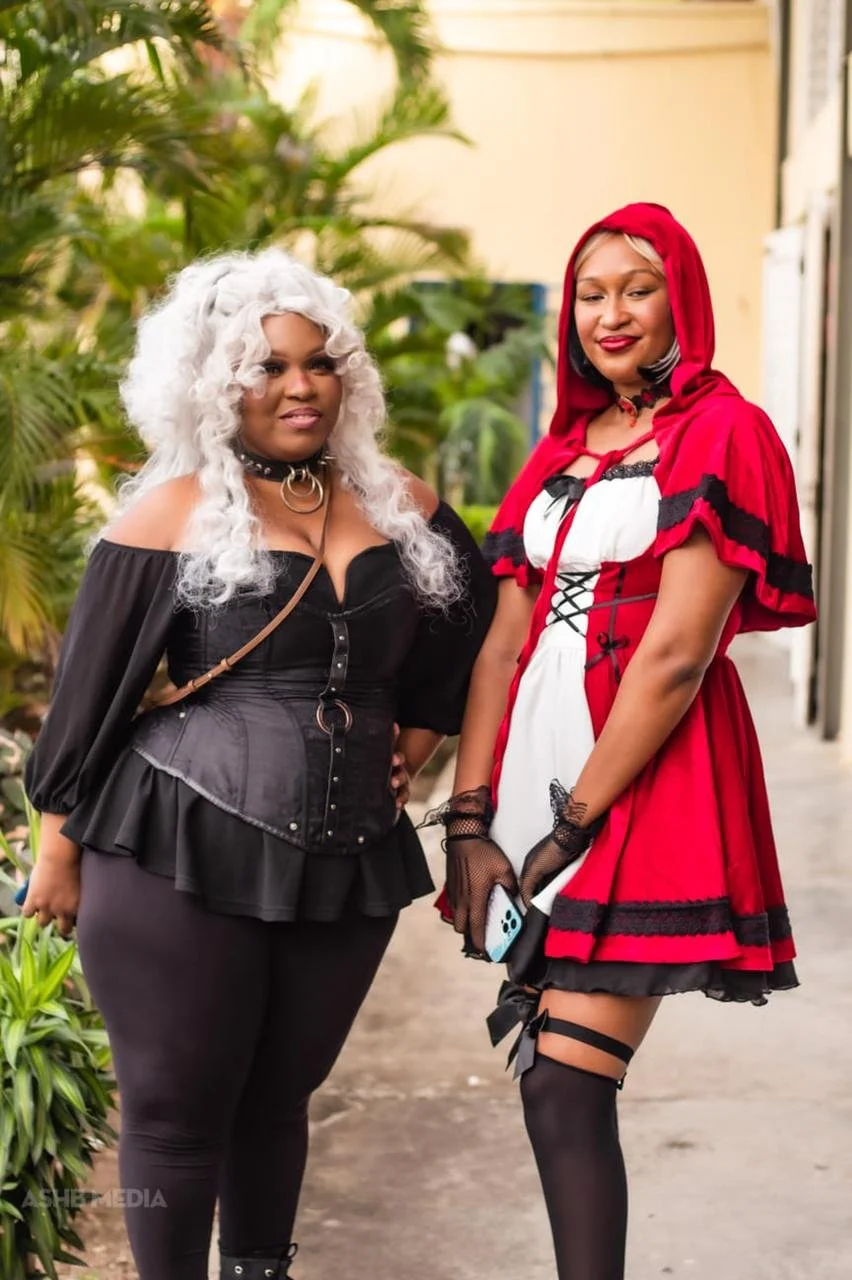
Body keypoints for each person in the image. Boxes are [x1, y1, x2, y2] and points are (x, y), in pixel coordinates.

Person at [22, 249, 496, 1280]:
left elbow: (476, 613)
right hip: (176, 842)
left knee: (280, 1099)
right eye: (268, 365)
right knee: (179, 1108)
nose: (298, 385)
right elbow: (85, 703)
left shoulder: (400, 502)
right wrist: (55, 858)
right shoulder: (169, 512)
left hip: (346, 859)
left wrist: (414, 738)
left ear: (347, 378)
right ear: (214, 380)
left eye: (320, 364)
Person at [430, 203, 816, 1280]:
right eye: (591, 293)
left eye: (637, 289)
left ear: (679, 299)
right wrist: (471, 820)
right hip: (532, 767)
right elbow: (503, 643)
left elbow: (676, 657)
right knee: (550, 1072)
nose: (611, 313)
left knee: (564, 1080)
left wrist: (566, 832)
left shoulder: (724, 432)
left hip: (644, 771)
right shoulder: (560, 445)